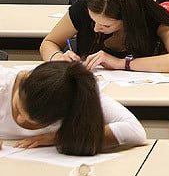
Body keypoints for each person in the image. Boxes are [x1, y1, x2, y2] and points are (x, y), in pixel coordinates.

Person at [42, 0, 169, 73]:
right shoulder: (85, 8)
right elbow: (49, 42)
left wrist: (122, 63)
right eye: (93, 20)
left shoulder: (153, 19)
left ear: (128, 18)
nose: (96, 28)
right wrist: (56, 57)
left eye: (106, 26)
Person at [0, 61, 146, 155]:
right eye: (17, 108)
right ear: (27, 76)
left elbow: (135, 130)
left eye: (35, 123)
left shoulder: (77, 92)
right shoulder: (3, 82)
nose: (19, 119)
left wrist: (58, 137)